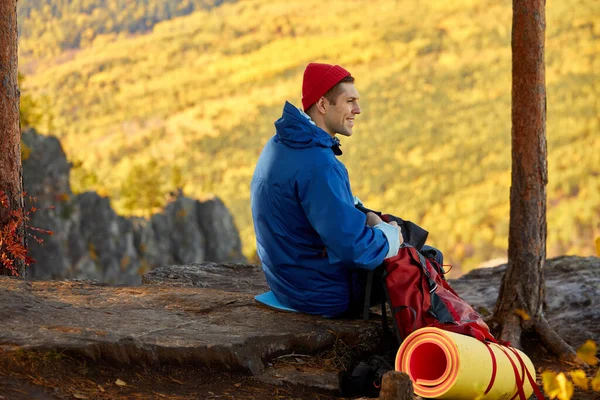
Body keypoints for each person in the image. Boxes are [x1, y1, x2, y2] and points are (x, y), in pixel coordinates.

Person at [250, 62, 403, 317]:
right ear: (322, 105)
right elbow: (355, 249)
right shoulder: (319, 164)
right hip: (321, 294)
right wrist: (390, 237)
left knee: (388, 232)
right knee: (422, 260)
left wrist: (367, 216)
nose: (358, 110)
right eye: (349, 101)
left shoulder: (281, 143)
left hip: (286, 282)